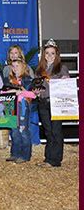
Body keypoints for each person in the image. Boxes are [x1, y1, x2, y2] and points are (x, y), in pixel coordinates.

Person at [35, 39, 69, 168]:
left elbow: (66, 85)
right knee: (48, 131)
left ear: (56, 55)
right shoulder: (40, 69)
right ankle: (49, 158)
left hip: (56, 103)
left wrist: (64, 80)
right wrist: (36, 92)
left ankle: (55, 160)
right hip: (43, 102)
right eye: (47, 53)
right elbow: (37, 86)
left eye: (52, 53)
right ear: (44, 55)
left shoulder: (61, 68)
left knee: (56, 131)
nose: (49, 56)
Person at [3, 59, 34, 163]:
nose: (15, 68)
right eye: (13, 66)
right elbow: (3, 92)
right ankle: (15, 154)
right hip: (11, 108)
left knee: (23, 131)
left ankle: (25, 155)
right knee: (14, 131)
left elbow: (33, 94)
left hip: (22, 108)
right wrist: (11, 92)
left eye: (17, 66)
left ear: (23, 67)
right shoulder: (9, 80)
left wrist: (19, 91)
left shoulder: (28, 79)